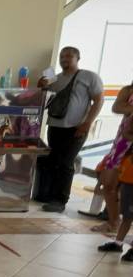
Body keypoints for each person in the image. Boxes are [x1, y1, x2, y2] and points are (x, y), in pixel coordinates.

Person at [35, 46, 104, 213]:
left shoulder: (89, 76)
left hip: (76, 128)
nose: (64, 59)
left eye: (69, 56)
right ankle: (50, 196)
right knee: (55, 161)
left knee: (66, 163)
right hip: (55, 126)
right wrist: (42, 85)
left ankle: (60, 201)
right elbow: (44, 96)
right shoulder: (55, 78)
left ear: (77, 58)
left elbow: (99, 100)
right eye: (62, 56)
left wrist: (87, 123)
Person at [92, 82, 133, 233]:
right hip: (122, 143)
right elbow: (117, 107)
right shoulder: (128, 90)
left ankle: (121, 224)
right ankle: (113, 221)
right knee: (108, 183)